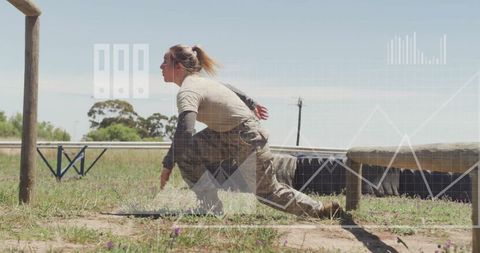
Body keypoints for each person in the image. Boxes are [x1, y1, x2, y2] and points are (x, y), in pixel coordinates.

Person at [159, 44, 342, 218]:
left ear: (179, 67)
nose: (161, 66)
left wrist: (168, 164)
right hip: (225, 133)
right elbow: (227, 88)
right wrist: (251, 102)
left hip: (246, 137)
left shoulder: (188, 90)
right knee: (186, 154)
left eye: (165, 61)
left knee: (267, 192)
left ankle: (321, 211)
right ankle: (210, 207)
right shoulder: (200, 82)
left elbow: (185, 130)